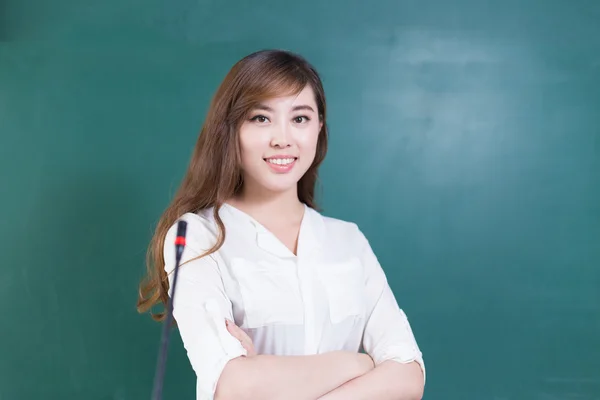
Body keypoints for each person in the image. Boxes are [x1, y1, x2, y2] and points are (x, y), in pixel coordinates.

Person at [137, 49, 425, 400]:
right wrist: (359, 365)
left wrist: (268, 376)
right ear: (230, 129)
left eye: (300, 118)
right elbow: (232, 386)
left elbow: (409, 375)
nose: (282, 138)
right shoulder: (198, 236)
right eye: (261, 118)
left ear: (320, 127)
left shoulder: (348, 241)